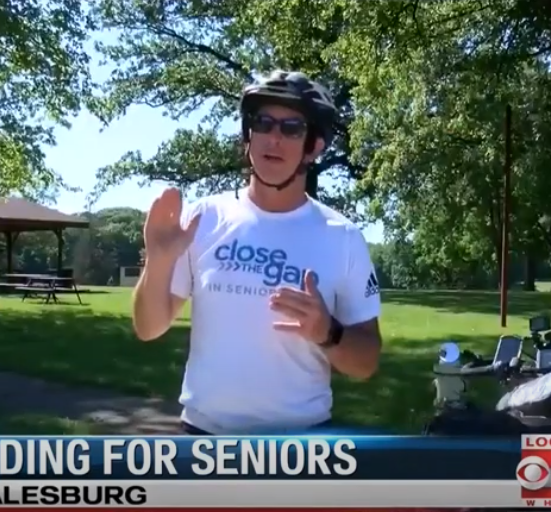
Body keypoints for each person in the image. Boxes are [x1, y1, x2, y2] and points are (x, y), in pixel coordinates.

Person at [132, 70, 383, 435]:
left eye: (292, 128)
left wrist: (328, 332)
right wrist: (158, 261)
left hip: (298, 448)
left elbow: (366, 362)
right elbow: (148, 327)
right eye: (262, 123)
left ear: (314, 145)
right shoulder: (203, 219)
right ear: (248, 135)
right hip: (204, 439)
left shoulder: (342, 237)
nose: (273, 138)